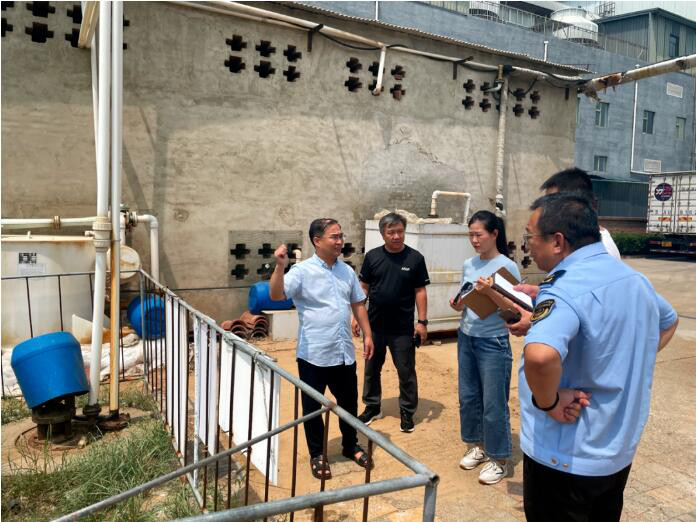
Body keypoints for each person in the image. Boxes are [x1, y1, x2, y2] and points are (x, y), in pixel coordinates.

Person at [517, 193, 678, 521]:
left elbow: (540, 357)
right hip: (616, 451)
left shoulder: (564, 287)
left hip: (565, 455)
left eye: (530, 236)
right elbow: (669, 320)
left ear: (557, 241)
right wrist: (629, 363)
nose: (528, 245)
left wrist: (549, 402)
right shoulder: (634, 279)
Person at [269, 218, 375, 480]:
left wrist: (368, 334)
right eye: (334, 237)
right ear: (317, 241)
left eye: (341, 236)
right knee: (313, 408)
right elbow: (276, 295)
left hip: (343, 353)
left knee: (348, 404)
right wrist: (280, 267)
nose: (340, 241)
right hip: (314, 354)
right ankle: (317, 454)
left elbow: (358, 303)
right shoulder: (301, 271)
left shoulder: (346, 271)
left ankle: (350, 446)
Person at [448, 210, 521, 485]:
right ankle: (476, 445)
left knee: (493, 403)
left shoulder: (508, 266)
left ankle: (499, 459)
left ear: (494, 234)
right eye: (471, 235)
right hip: (467, 337)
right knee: (468, 397)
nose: (474, 240)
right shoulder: (469, 264)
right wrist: (458, 303)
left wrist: (490, 291)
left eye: (479, 235)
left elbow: (514, 310)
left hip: (493, 342)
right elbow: (463, 302)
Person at [508, 167, 620, 337]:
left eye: (552, 202)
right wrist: (540, 292)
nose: (545, 210)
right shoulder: (580, 247)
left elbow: (593, 317)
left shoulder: (599, 251)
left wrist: (534, 323)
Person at [353, 212, 430, 433]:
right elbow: (364, 287)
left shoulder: (415, 258)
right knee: (371, 369)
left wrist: (422, 322)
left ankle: (407, 411)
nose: (397, 236)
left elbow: (420, 291)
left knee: (406, 371)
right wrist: (357, 316)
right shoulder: (373, 257)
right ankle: (372, 407)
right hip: (374, 326)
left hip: (402, 329)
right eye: (391, 232)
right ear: (383, 234)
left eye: (400, 231)